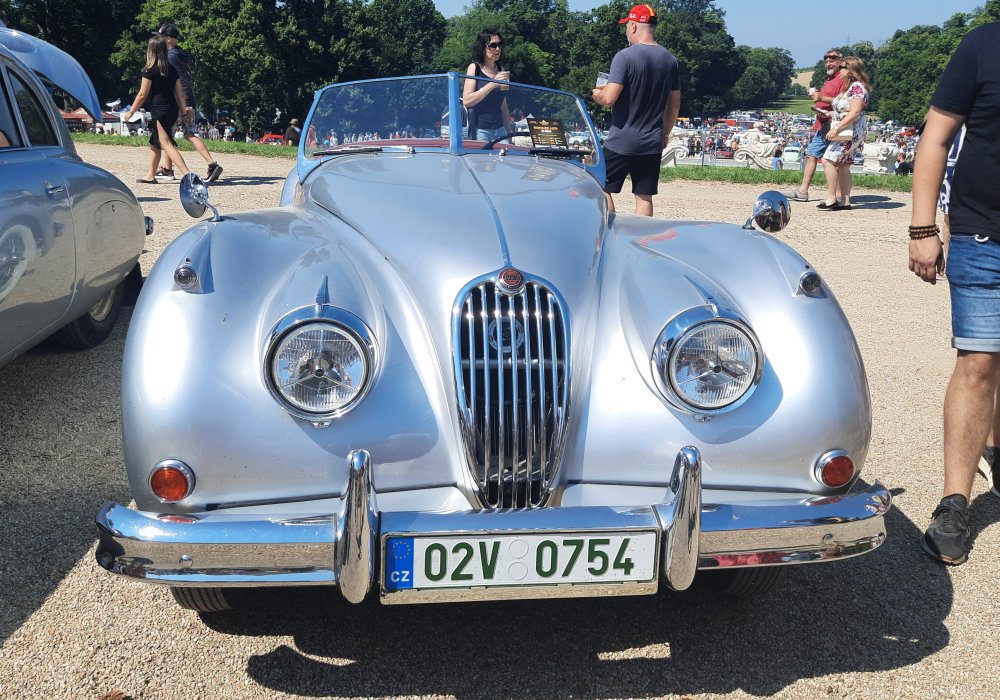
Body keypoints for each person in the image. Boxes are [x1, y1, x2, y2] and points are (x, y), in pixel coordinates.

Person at [908, 20, 1000, 565]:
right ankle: (955, 500)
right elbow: (936, 137)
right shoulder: (984, 43)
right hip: (983, 231)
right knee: (979, 363)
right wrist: (923, 229)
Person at [591, 4, 681, 217]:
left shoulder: (624, 57)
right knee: (644, 196)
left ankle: (612, 233)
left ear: (633, 26)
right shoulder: (670, 60)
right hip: (651, 141)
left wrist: (596, 94)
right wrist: (665, 134)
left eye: (626, 26)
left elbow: (610, 98)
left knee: (602, 188)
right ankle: (641, 241)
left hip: (621, 140)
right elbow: (674, 104)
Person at [153, 23, 222, 182]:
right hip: (188, 97)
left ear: (169, 39)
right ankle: (167, 169)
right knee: (171, 134)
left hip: (180, 99)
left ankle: (211, 164)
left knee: (186, 134)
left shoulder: (170, 56)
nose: (159, 39)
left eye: (162, 37)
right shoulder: (180, 54)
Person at [120, 35, 192, 184]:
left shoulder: (149, 69)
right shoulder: (172, 69)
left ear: (151, 50)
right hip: (171, 109)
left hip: (159, 109)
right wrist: (184, 113)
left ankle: (188, 175)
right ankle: (150, 175)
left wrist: (131, 112)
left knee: (166, 144)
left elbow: (142, 94)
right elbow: (179, 94)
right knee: (155, 143)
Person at [785, 49, 846, 203]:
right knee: (811, 155)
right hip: (823, 124)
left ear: (841, 61)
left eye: (832, 59)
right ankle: (803, 191)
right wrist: (818, 97)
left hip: (834, 125)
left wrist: (821, 97)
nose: (828, 62)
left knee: (835, 161)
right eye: (826, 59)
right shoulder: (830, 79)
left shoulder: (843, 79)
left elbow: (845, 102)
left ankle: (838, 196)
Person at [817, 56, 870, 211]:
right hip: (851, 130)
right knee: (843, 164)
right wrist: (831, 114)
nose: (839, 70)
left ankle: (832, 197)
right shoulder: (851, 88)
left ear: (852, 70)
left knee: (828, 160)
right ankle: (845, 201)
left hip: (849, 131)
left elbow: (854, 112)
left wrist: (836, 128)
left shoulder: (856, 88)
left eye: (843, 68)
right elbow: (847, 110)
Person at [462, 29, 513, 142]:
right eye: (493, 45)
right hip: (480, 131)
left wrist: (509, 133)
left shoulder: (501, 70)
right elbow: (467, 101)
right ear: (483, 48)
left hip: (500, 130)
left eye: (500, 44)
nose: (498, 49)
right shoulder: (474, 68)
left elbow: (503, 104)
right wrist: (492, 84)